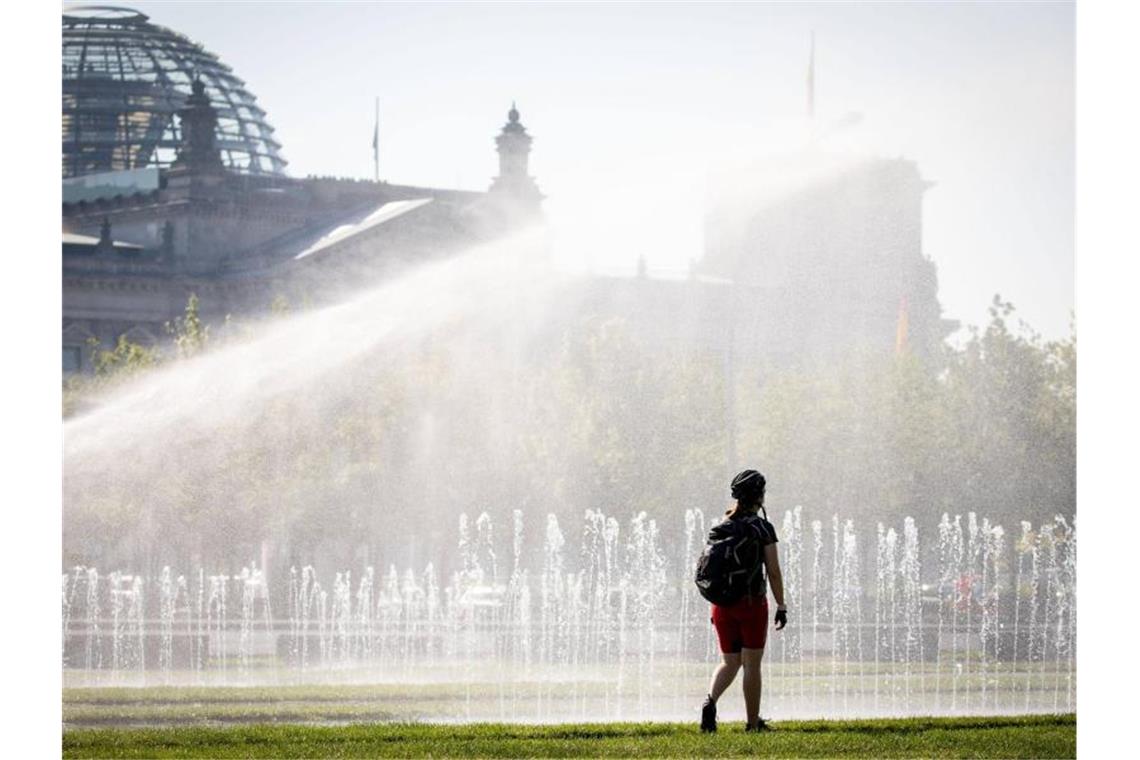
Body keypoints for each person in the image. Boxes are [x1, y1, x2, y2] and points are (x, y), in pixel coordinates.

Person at [700, 469, 787, 733]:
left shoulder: (721, 526)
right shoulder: (761, 527)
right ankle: (752, 724)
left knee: (729, 662)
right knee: (752, 665)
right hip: (751, 604)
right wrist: (781, 605)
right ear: (758, 496)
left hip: (722, 605)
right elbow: (773, 570)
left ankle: (710, 702)